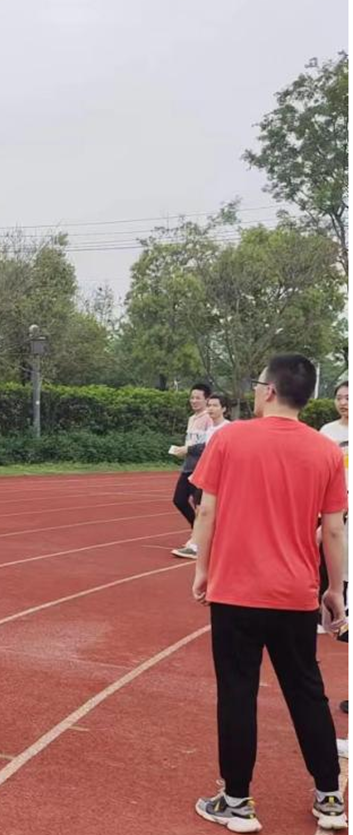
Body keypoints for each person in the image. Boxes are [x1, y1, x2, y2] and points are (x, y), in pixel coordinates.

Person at [189, 355, 347, 832]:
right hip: (296, 593)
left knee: (237, 692)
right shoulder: (325, 451)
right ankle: (330, 797)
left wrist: (201, 569)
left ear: (271, 390)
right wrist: (334, 589)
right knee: (307, 692)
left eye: (258, 384)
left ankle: (237, 801)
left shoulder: (230, 439)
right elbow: (333, 529)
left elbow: (207, 511)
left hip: (236, 591)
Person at [318, 380, 349, 739]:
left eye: (349, 397)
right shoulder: (326, 433)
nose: (344, 402)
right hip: (336, 521)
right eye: (339, 397)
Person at [170, 392, 229, 558]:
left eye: (215, 405)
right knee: (200, 508)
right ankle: (197, 543)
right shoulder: (210, 430)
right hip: (205, 475)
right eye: (209, 405)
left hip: (221, 476)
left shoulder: (228, 428)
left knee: (208, 510)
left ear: (224, 409)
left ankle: (199, 544)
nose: (211, 409)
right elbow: (207, 454)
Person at [169, 383, 212, 560]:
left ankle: (199, 540)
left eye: (198, 398)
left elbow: (207, 445)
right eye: (192, 397)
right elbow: (191, 443)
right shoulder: (191, 419)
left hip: (201, 468)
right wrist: (182, 450)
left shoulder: (209, 418)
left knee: (199, 505)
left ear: (206, 399)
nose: (194, 401)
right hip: (188, 466)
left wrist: (188, 449)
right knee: (179, 499)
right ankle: (197, 532)